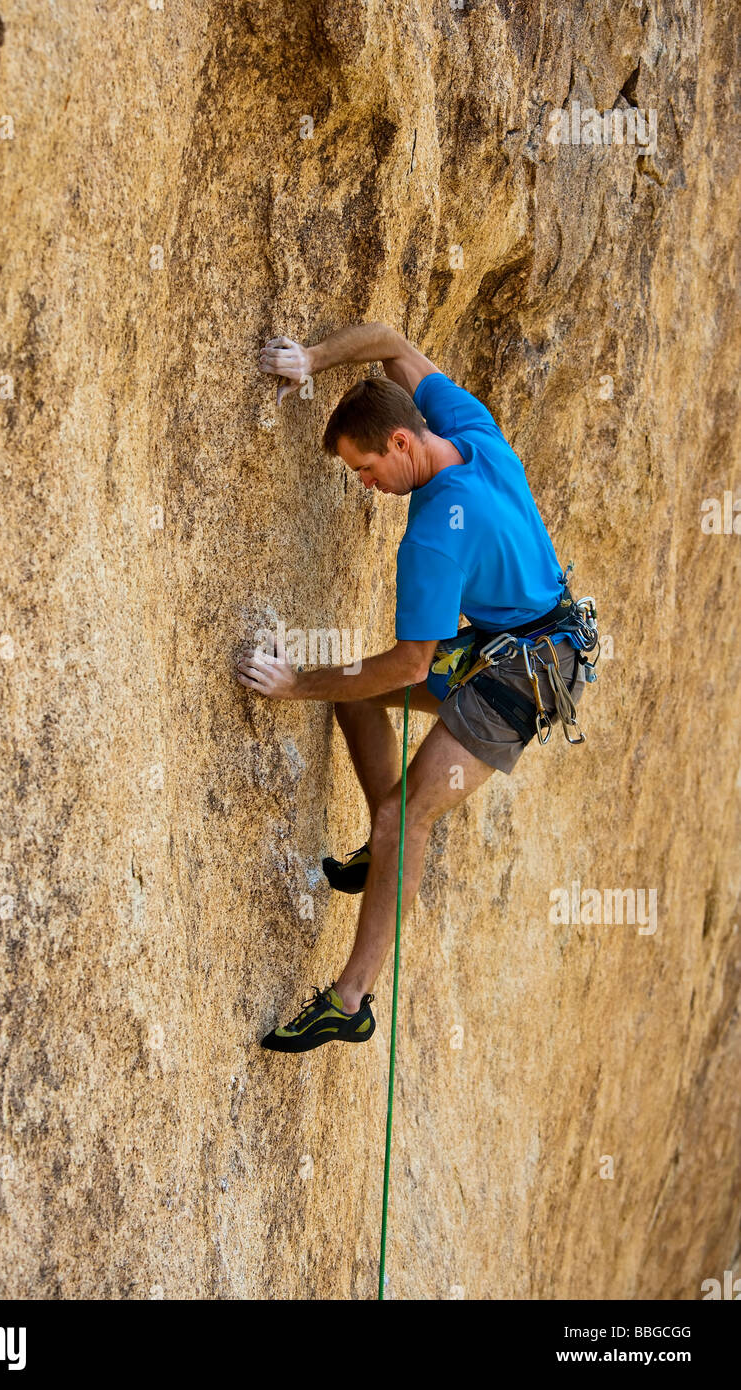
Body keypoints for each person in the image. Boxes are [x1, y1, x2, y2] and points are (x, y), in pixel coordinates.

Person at [236, 323, 590, 1053]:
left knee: (405, 818)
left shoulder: (432, 534)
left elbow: (406, 664)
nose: (367, 487)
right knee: (353, 697)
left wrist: (293, 683)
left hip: (523, 680)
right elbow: (391, 341)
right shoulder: (468, 428)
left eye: (366, 471)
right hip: (519, 639)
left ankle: (349, 1002)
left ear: (400, 443)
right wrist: (311, 360)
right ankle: (382, 857)